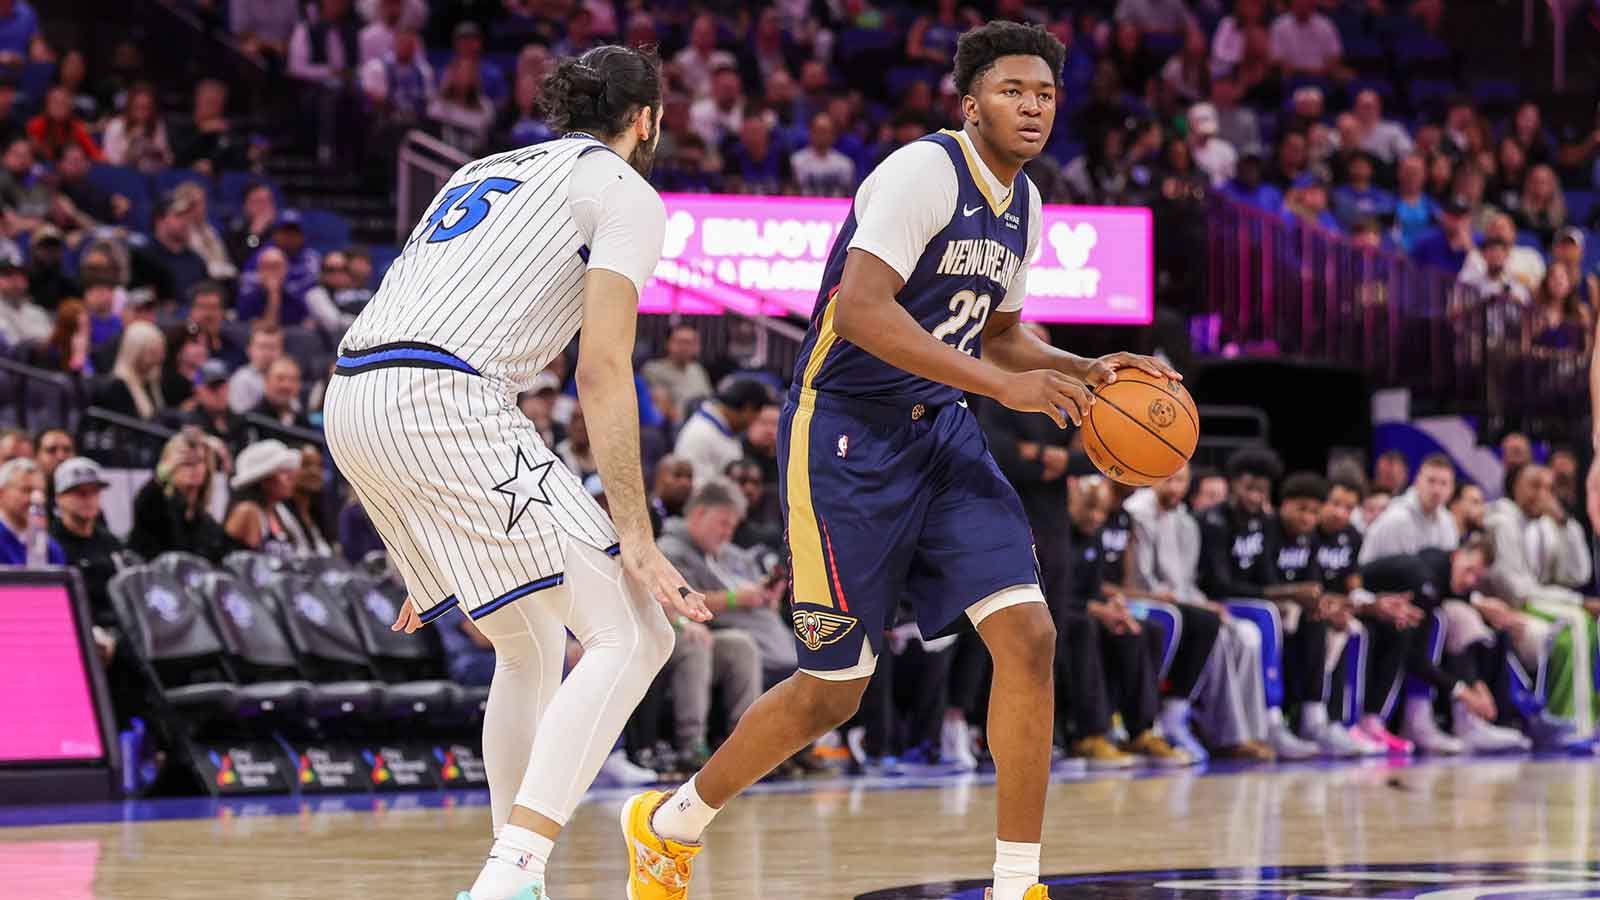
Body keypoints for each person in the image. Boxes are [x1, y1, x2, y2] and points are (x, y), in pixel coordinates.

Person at [627, 24, 1179, 900]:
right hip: (843, 433)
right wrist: (1003, 391)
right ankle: (672, 822)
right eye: (1011, 91)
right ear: (971, 103)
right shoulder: (924, 171)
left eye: (1044, 93)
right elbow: (862, 313)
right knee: (832, 690)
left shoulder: (1025, 204)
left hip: (940, 432)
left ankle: (1016, 884)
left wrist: (1081, 368)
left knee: (1030, 638)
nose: (1031, 106)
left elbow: (996, 332)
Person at [321, 46, 700, 900]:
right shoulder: (626, 189)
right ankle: (515, 871)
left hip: (353, 397)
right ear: (646, 120)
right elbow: (601, 370)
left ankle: (514, 868)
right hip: (444, 399)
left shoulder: (480, 167)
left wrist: (428, 520)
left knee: (527, 643)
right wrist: (634, 537)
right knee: (637, 633)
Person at [1485, 463, 1599, 737]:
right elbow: (1515, 589)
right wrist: (1576, 601)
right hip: (1506, 604)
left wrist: (1563, 522)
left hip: (1538, 600)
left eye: (1549, 488)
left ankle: (1589, 719)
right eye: (1534, 486)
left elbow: (1578, 573)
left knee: (1592, 624)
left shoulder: (1543, 525)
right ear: (1515, 487)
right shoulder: (1502, 521)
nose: (1542, 494)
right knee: (1573, 622)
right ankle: (1566, 720)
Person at [49, 457, 126, 620]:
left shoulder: (110, 541)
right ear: (59, 498)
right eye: (80, 493)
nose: (89, 498)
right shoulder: (50, 545)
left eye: (94, 491)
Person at [1358, 453, 1459, 563]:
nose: (1436, 490)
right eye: (1431, 481)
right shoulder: (1396, 517)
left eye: (1443, 483)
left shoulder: (1447, 521)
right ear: (1417, 482)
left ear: (1451, 489)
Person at [674, 377, 771, 487]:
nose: (752, 424)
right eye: (755, 418)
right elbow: (695, 489)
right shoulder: (699, 434)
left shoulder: (727, 428)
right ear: (748, 409)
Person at [224, 439, 307, 557]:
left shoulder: (280, 512)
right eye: (282, 472)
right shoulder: (247, 511)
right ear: (263, 480)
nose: (291, 478)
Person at [93, 320, 166, 422]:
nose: (157, 361)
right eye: (152, 354)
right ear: (136, 353)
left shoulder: (151, 382)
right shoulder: (117, 387)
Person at [640, 324, 713, 419]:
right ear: (668, 343)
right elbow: (661, 405)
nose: (685, 347)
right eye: (680, 342)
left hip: (703, 423)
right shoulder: (653, 369)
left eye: (691, 342)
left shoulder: (698, 370)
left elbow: (710, 400)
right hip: (673, 427)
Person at [0, 457, 64, 565]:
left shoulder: (51, 549)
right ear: (1, 493)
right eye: (26, 490)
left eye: (41, 491)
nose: (37, 498)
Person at [184, 359, 249, 453]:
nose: (220, 392)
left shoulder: (242, 421)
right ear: (197, 391)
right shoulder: (190, 423)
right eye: (213, 387)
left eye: (223, 386)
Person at [229, 321, 284, 414]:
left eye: (272, 347)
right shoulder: (242, 379)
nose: (267, 353)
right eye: (262, 347)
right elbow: (240, 418)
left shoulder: (288, 378)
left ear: (281, 351)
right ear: (249, 350)